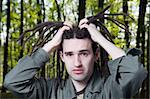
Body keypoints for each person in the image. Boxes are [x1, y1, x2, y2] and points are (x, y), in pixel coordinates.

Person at [4, 18, 147, 99]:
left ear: (96, 55)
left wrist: (100, 39)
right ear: (62, 57)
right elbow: (13, 82)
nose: (77, 63)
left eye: (84, 53)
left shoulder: (110, 89)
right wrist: (51, 45)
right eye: (69, 54)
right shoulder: (49, 90)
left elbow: (135, 72)